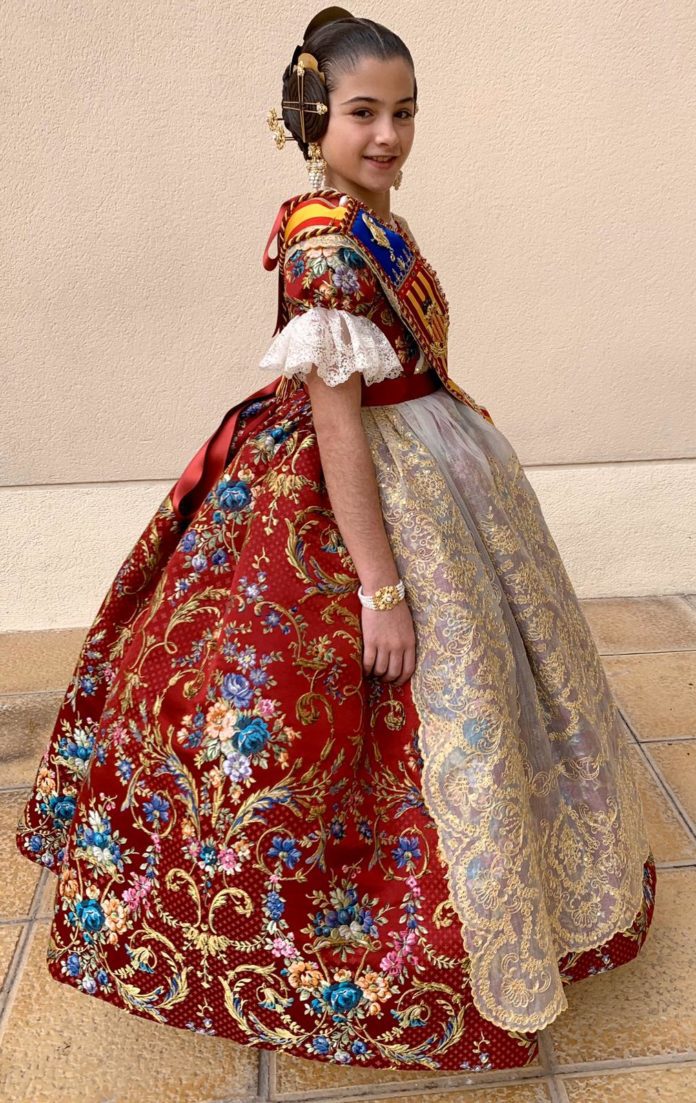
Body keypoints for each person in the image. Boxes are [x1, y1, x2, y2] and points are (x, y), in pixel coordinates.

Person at [16, 7, 656, 1073]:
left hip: (430, 459)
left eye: (405, 112)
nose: (389, 135)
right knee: (348, 709)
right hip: (357, 487)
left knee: (504, 685)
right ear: (314, 117)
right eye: (364, 112)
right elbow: (337, 422)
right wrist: (381, 589)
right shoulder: (326, 244)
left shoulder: (370, 218)